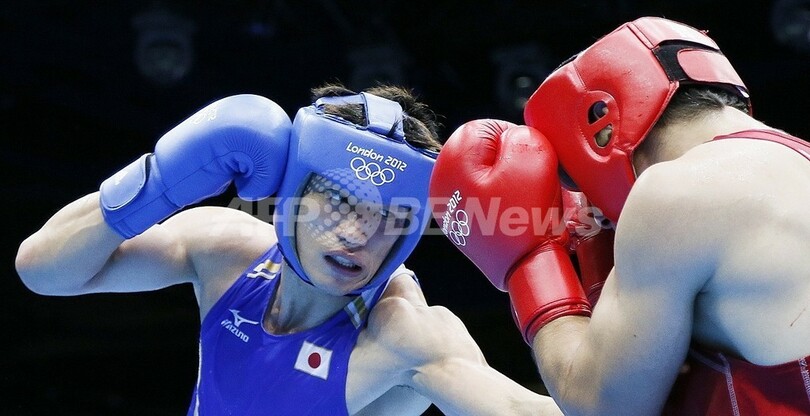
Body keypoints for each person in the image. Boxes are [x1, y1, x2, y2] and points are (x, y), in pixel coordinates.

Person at [15, 82, 564, 415]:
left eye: (391, 218)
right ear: (294, 193)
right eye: (341, 201)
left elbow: (522, 409)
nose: (358, 235)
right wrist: (158, 181)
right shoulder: (226, 247)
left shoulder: (405, 333)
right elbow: (45, 271)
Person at [429, 16, 810, 415]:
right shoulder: (788, 161)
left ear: (601, 125)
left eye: (571, 178)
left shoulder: (677, 191)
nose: (585, 200)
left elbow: (599, 406)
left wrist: (529, 261)